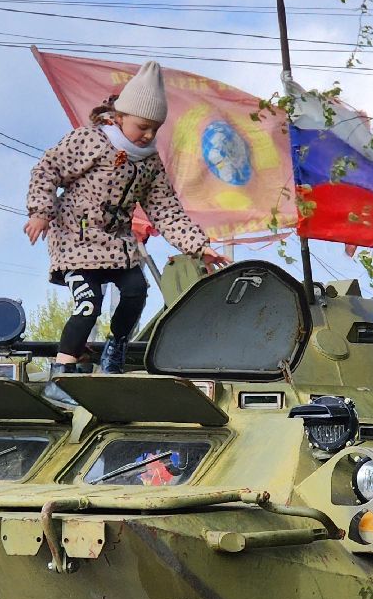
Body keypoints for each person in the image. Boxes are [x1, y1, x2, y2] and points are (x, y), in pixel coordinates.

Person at [25, 60, 228, 407]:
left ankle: (114, 350)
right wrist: (41, 211)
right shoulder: (90, 141)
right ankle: (61, 376)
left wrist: (198, 246)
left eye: (154, 129)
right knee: (89, 304)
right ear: (120, 116)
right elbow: (48, 169)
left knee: (136, 290)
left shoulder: (149, 163)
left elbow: (165, 208)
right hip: (76, 237)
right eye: (142, 126)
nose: (147, 135)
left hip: (116, 242)